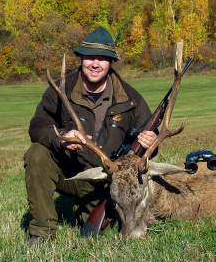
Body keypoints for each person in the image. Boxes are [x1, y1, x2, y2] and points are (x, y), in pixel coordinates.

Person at [24, 26, 157, 246]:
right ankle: (42, 233)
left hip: (105, 182)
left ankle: (91, 210)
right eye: (90, 57)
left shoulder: (130, 97)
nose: (95, 64)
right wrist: (62, 138)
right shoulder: (60, 90)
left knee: (101, 230)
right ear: (81, 58)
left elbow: (151, 138)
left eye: (102, 58)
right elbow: (37, 125)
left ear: (111, 62)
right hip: (68, 172)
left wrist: (151, 142)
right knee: (37, 154)